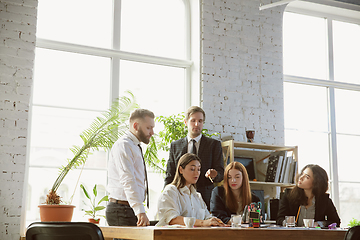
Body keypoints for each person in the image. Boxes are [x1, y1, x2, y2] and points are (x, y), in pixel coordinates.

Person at [164, 106, 224, 209]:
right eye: (193, 121)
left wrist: (215, 174)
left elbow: (221, 173)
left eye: (200, 121)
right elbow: (170, 174)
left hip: (205, 199)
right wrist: (167, 195)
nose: (197, 124)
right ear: (186, 122)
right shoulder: (175, 145)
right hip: (180, 198)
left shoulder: (214, 145)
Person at [106, 109, 155, 227]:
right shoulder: (124, 145)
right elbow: (128, 180)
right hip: (121, 210)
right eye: (148, 128)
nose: (152, 132)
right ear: (136, 126)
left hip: (128, 209)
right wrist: (140, 211)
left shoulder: (134, 146)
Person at [157, 153, 225, 227]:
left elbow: (207, 217)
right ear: (181, 170)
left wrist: (216, 221)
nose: (197, 173)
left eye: (198, 169)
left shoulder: (197, 196)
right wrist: (203, 223)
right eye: (192, 169)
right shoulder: (170, 191)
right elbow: (172, 219)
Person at [276, 164, 341, 227]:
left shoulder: (324, 200)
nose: (301, 178)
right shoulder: (289, 195)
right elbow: (279, 219)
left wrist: (319, 223)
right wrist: (286, 222)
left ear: (316, 182)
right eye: (302, 174)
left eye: (307, 177)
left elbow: (336, 221)